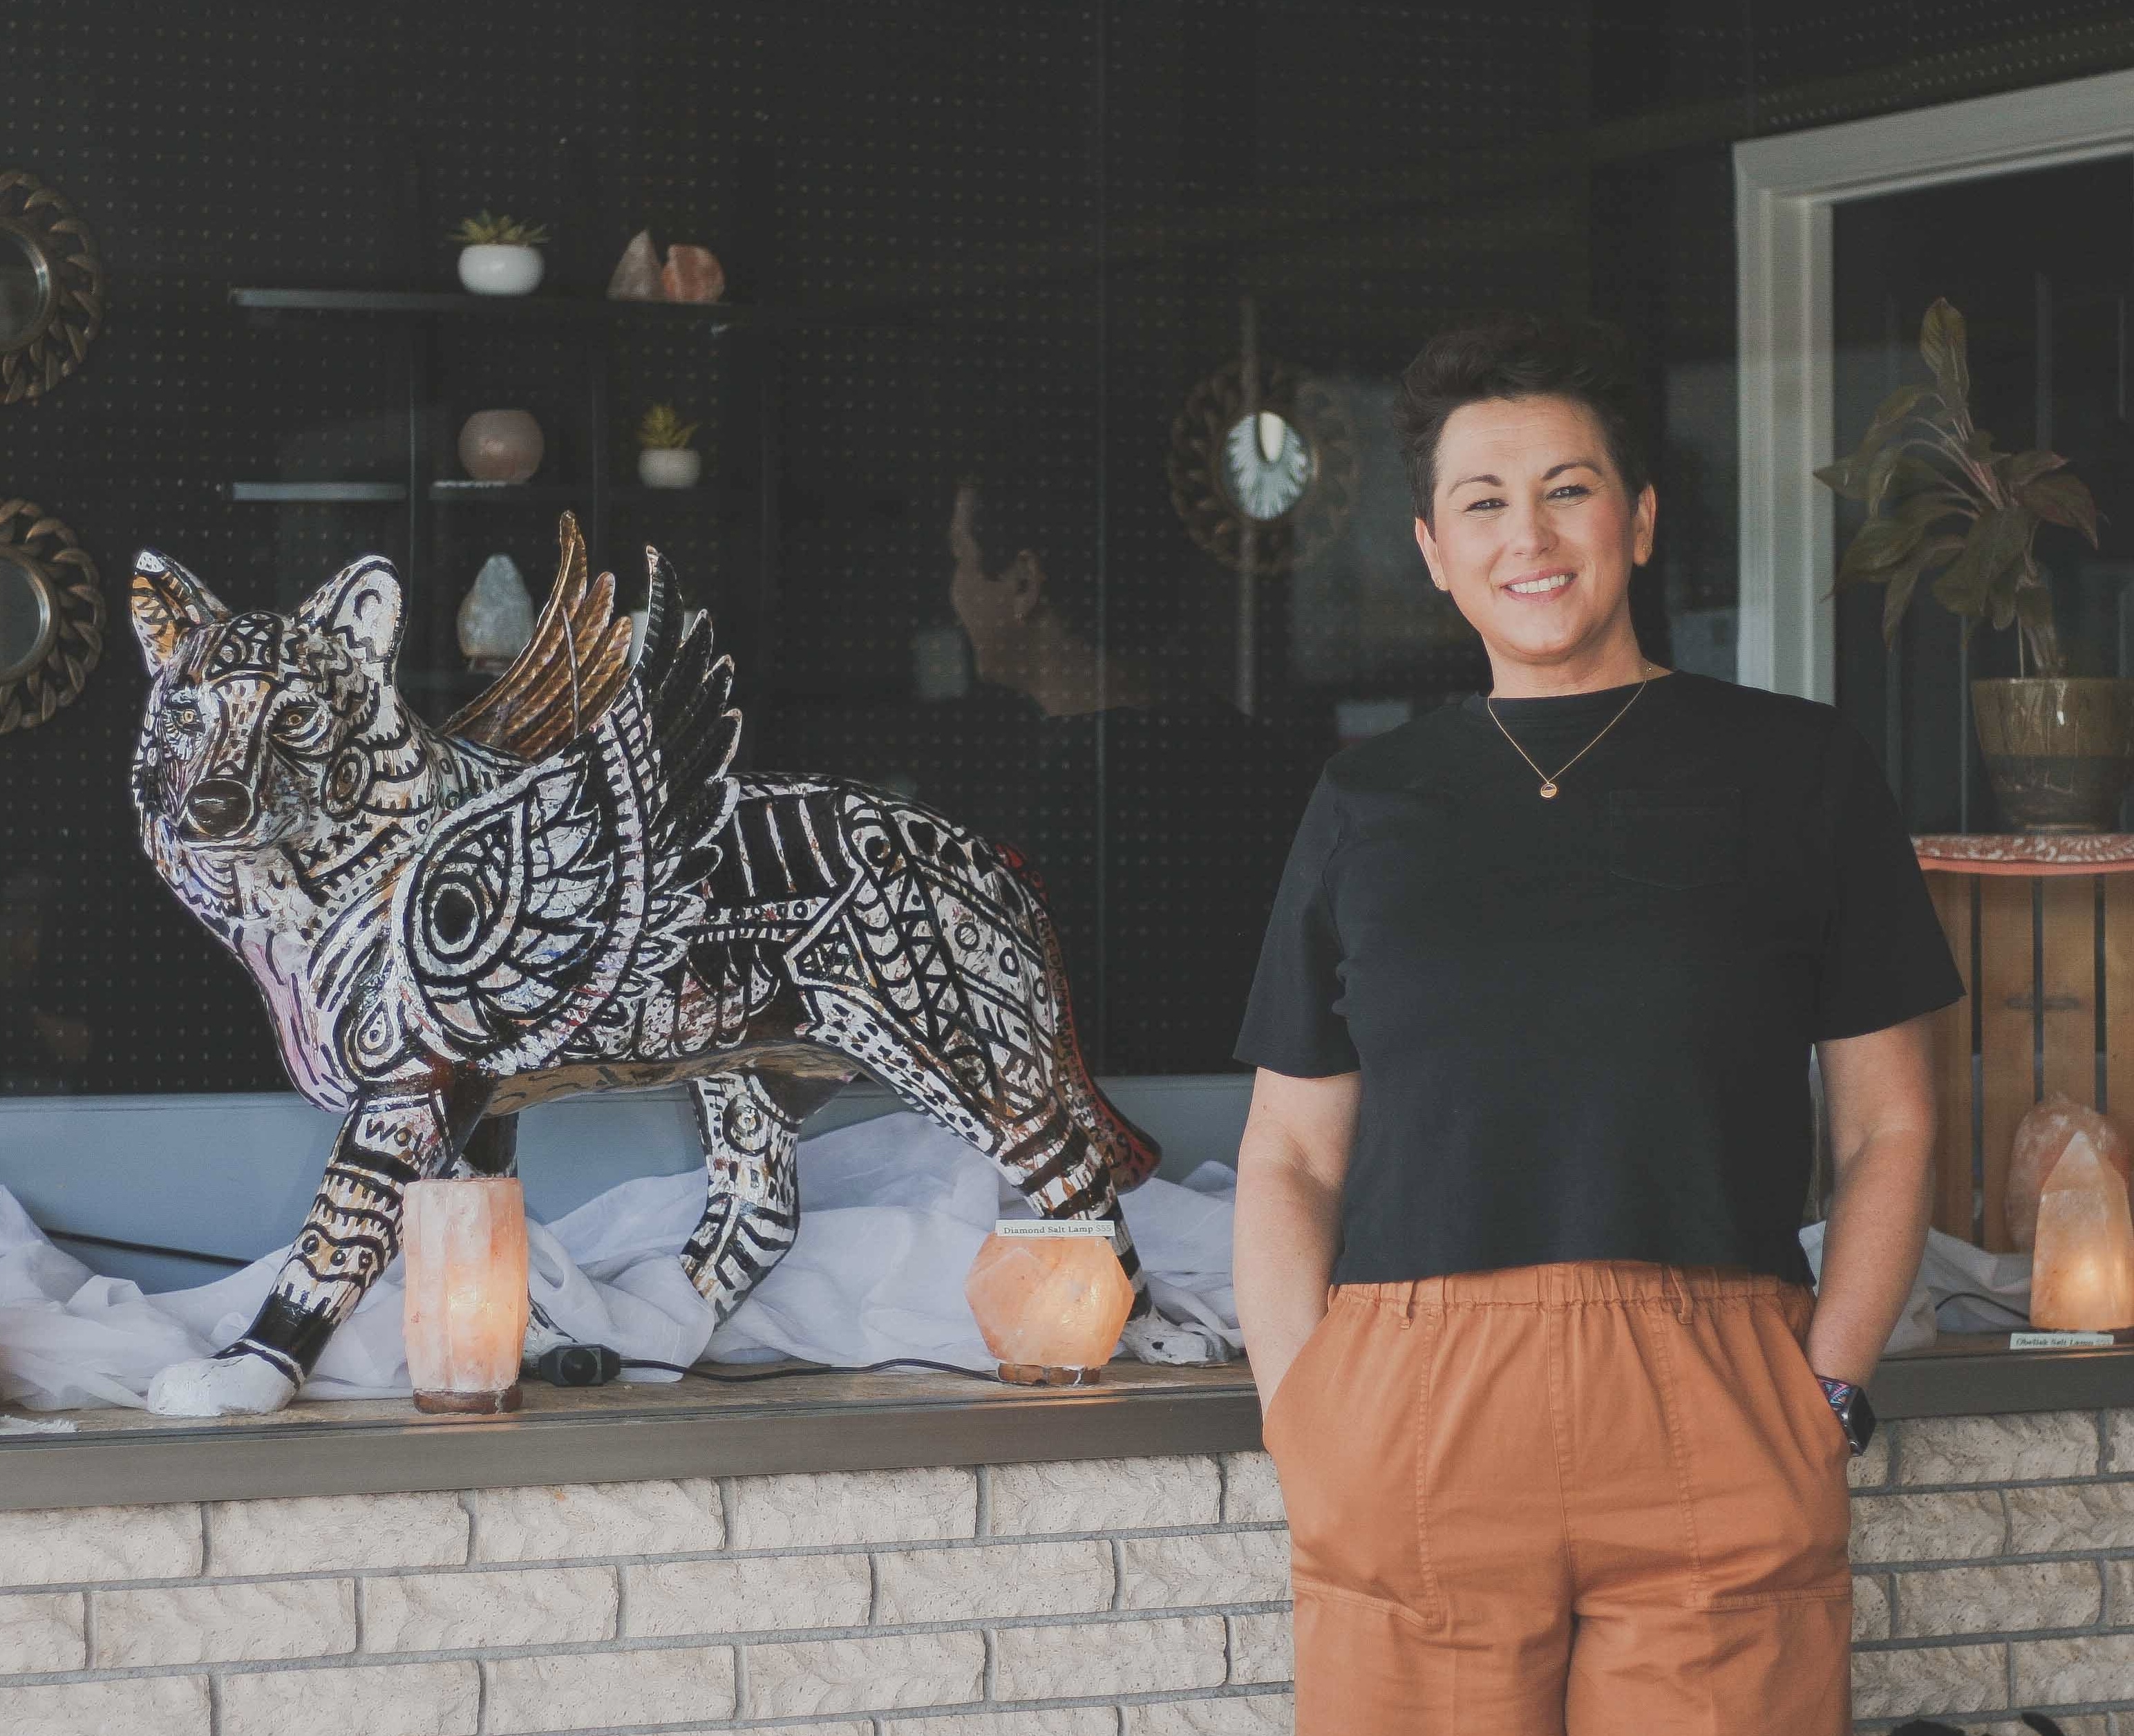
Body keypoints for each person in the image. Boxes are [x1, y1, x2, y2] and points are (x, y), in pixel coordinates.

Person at [1231, 312, 1961, 1733]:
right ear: (1436, 552)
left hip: (1711, 1383)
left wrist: (1830, 1386)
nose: (1530, 535)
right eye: (1481, 502)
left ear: (1633, 517)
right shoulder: (1366, 802)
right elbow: (1288, 1156)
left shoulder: (1791, 766)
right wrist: (1301, 1410)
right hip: (1412, 1404)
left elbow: (1892, 1120)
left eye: (1565, 488)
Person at [915, 477, 1321, 1074]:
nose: (954, 594)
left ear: (1025, 582)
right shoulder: (1268, 764)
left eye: (961, 562)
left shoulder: (1056, 798)